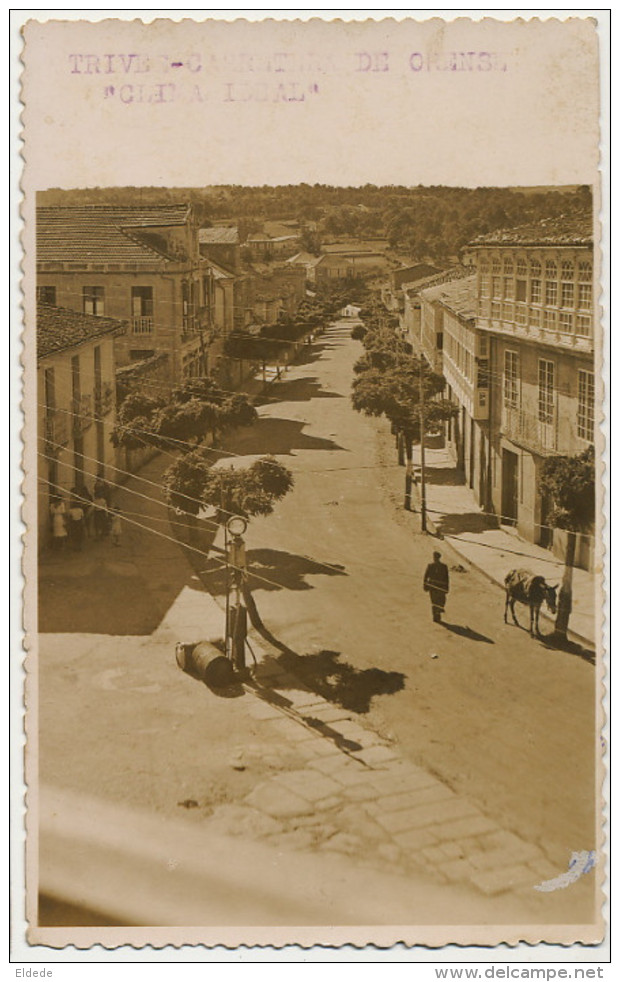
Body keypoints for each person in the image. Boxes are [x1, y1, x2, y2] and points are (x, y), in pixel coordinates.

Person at [423, 550, 450, 623]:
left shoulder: (444, 567)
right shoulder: (430, 566)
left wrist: (447, 587)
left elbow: (446, 578)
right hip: (433, 587)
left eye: (436, 558)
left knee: (441, 601)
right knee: (434, 601)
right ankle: (435, 615)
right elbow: (426, 576)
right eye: (435, 558)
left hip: (441, 587)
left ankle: (438, 612)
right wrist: (425, 585)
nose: (435, 559)